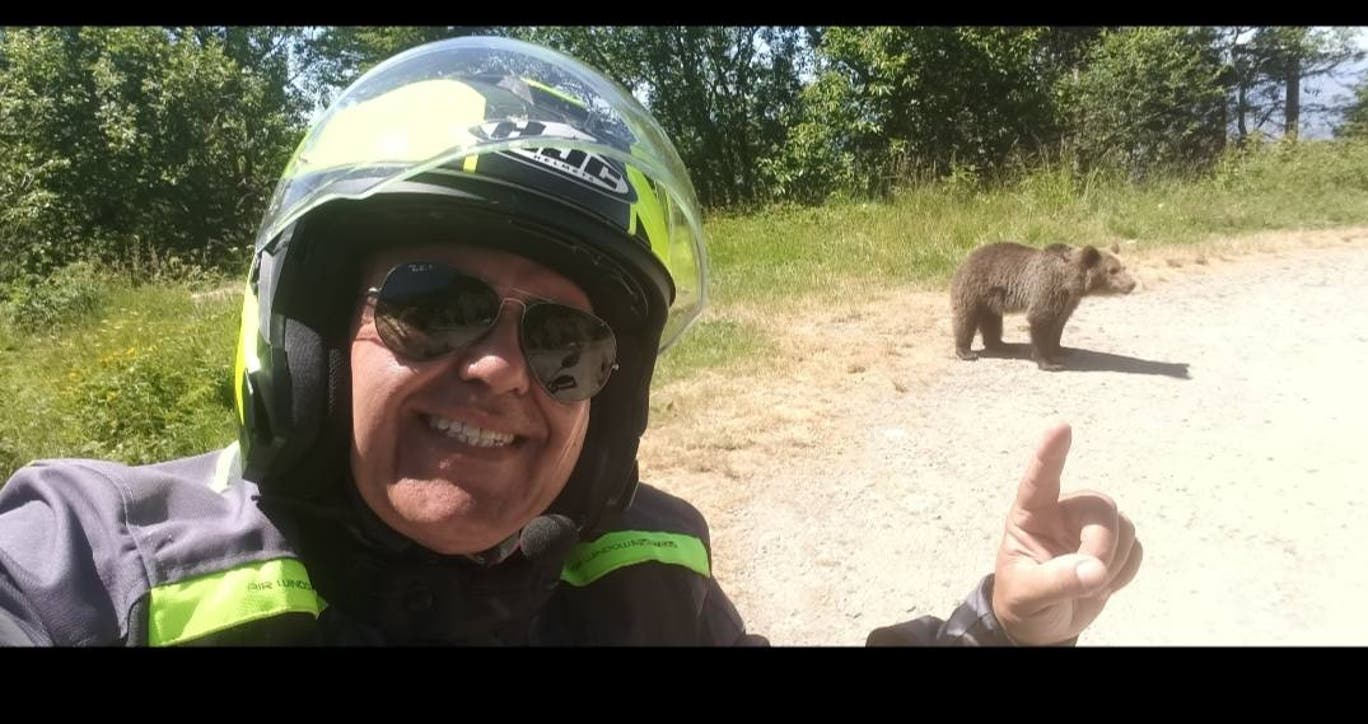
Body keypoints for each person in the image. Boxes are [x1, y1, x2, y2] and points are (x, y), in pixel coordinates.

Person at [0, 36, 1140, 646]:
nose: (500, 368)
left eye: (566, 342)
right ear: (303, 332)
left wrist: (990, 633)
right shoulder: (102, 577)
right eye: (434, 301)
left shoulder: (644, 583)